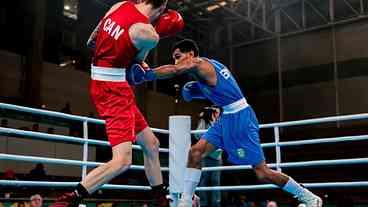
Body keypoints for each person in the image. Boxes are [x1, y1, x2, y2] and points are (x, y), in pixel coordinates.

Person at [127, 39, 322, 207]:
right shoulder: (202, 76)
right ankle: (186, 201)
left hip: (241, 118)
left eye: (178, 56)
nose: (175, 61)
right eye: (174, 58)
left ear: (191, 54)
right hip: (226, 118)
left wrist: (148, 74)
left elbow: (176, 70)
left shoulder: (201, 64)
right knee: (195, 153)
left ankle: (309, 198)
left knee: (262, 173)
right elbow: (196, 93)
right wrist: (191, 90)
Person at [51, 1, 183, 207]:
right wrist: (142, 54)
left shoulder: (121, 4)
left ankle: (160, 199)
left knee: (151, 144)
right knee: (122, 160)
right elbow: (137, 70)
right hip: (114, 90)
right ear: (162, 6)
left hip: (103, 80)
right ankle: (68, 200)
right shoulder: (149, 34)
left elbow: (92, 41)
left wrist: (116, 51)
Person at [194, 106, 222, 207]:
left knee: (215, 181)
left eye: (218, 111)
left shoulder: (221, 122)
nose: (217, 113)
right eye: (215, 111)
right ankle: (203, 204)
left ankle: (216, 204)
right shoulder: (205, 121)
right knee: (204, 181)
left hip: (217, 156)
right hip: (205, 155)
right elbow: (197, 135)